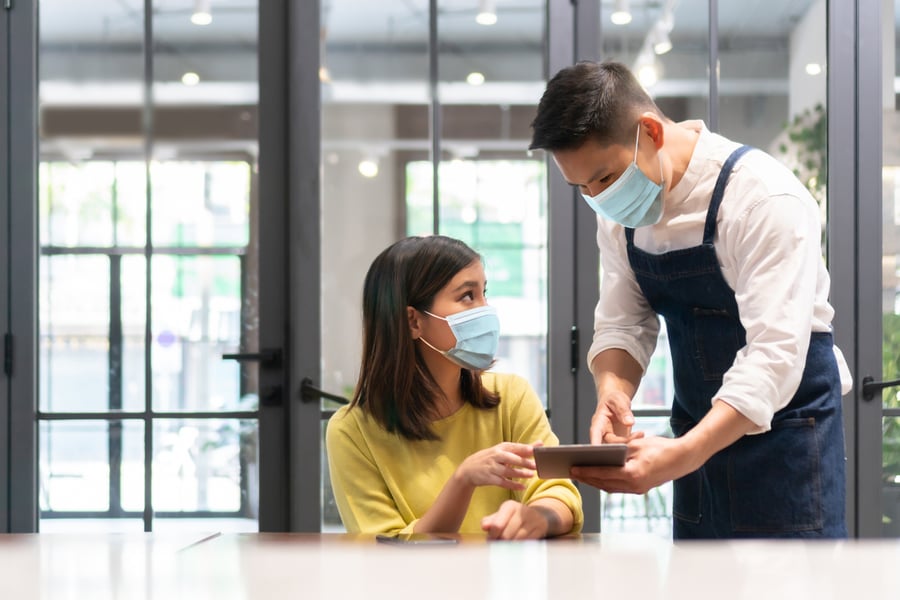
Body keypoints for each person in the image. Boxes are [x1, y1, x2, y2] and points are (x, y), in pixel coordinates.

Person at [529, 60, 852, 539]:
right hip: (697, 438)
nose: (598, 198)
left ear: (651, 132)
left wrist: (683, 453)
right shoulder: (618, 214)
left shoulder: (763, 199)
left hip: (786, 441)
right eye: (582, 188)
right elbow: (624, 322)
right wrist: (613, 394)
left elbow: (775, 354)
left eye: (605, 178)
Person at [325, 235, 583, 540]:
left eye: (484, 293)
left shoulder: (512, 396)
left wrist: (537, 516)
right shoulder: (351, 431)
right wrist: (463, 480)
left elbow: (559, 493)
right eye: (467, 296)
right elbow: (386, 545)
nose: (486, 310)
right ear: (413, 322)